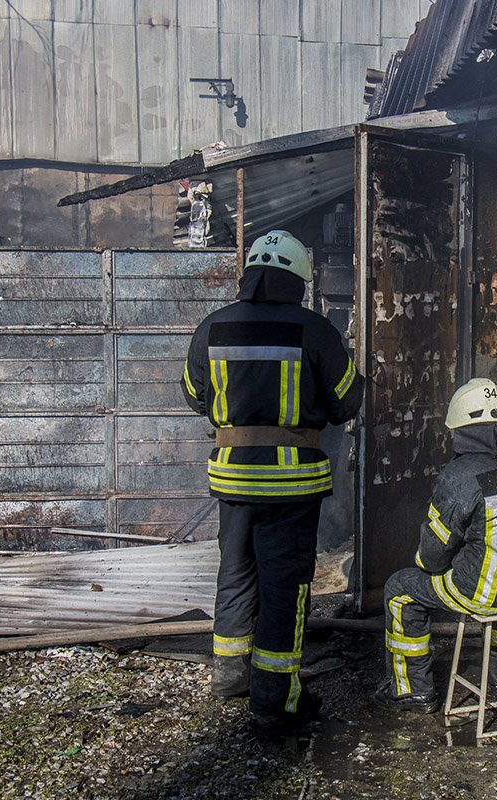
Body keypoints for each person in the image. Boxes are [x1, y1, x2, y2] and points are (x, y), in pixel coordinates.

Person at [182, 230, 362, 734]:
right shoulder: (316, 329)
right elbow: (346, 401)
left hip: (233, 479)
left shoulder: (211, 328)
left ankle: (229, 677)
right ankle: (275, 699)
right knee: (285, 587)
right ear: (298, 280)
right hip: (290, 485)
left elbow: (195, 395)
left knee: (236, 573)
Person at [374, 378, 497, 712]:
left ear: (462, 428)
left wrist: (443, 561)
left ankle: (411, 691)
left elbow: (432, 555)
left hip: (485, 593)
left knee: (400, 590)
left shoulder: (460, 473)